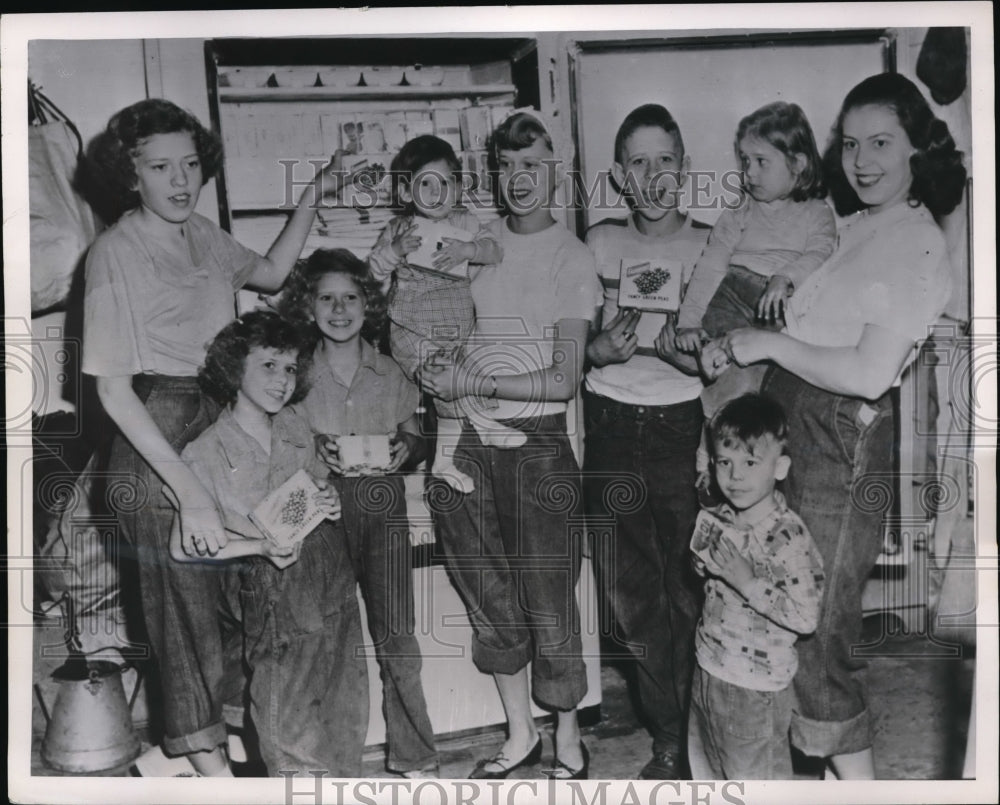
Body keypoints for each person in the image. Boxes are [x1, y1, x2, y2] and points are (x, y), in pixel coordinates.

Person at [702, 72, 966, 779]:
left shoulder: (915, 242)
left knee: (818, 637)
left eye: (882, 142)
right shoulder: (856, 226)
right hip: (797, 424)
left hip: (840, 439)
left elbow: (870, 371)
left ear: (921, 148)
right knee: (778, 626)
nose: (862, 159)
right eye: (851, 144)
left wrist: (768, 344)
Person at [81, 98, 345, 775]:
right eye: (160, 166)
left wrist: (315, 192)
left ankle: (242, 745)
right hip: (156, 434)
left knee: (251, 589)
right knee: (187, 615)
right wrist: (191, 489)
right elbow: (112, 389)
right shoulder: (114, 250)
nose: (180, 180)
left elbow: (274, 273)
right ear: (130, 175)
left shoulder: (202, 233)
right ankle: (212, 771)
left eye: (191, 163)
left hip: (216, 411)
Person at [420, 109, 602, 780]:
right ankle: (520, 732)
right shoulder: (477, 238)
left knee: (549, 595)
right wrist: (435, 364)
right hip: (465, 439)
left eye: (533, 165)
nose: (520, 179)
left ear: (555, 169)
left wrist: (474, 378)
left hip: (538, 442)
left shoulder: (571, 255)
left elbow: (563, 378)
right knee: (486, 590)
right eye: (508, 167)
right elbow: (432, 313)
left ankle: (568, 736)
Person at [170, 311, 368, 776]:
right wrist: (257, 548)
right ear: (234, 368)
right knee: (289, 727)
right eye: (268, 366)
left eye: (290, 368)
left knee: (345, 712)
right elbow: (183, 548)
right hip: (274, 589)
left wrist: (329, 499)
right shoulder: (204, 451)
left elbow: (317, 487)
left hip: (332, 578)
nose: (282, 380)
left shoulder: (295, 425)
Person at [581, 103, 711, 779]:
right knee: (630, 599)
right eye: (638, 161)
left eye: (665, 159)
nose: (653, 174)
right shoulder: (598, 244)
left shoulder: (712, 246)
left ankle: (701, 736)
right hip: (608, 430)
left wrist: (692, 359)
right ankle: (668, 739)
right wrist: (596, 351)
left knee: (691, 592)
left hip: (681, 430)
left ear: (684, 169)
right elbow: (567, 347)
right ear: (619, 176)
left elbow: (727, 361)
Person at [279, 248, 439, 778]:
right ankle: (335, 760)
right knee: (331, 635)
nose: (339, 309)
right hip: (321, 510)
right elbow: (281, 437)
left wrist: (407, 450)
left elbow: (415, 433)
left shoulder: (389, 370)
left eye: (351, 297)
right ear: (308, 306)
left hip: (382, 505)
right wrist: (313, 448)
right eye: (326, 298)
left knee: (398, 635)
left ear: (368, 304)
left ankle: (416, 757)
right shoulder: (297, 374)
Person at [675, 101, 835, 485]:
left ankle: (750, 468)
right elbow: (711, 263)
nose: (749, 173)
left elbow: (822, 252)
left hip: (779, 310)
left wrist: (786, 277)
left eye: (761, 161)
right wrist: (688, 321)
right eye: (744, 161)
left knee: (761, 392)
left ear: (797, 163)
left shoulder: (818, 213)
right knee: (732, 378)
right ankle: (710, 456)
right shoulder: (740, 212)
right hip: (733, 294)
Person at [368, 134, 522, 494]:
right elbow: (373, 273)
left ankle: (443, 461)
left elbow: (495, 252)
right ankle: (483, 424)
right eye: (427, 184)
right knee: (443, 379)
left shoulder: (465, 222)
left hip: (455, 324)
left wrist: (469, 249)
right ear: (406, 193)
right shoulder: (399, 228)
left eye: (447, 183)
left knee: (459, 380)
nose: (438, 193)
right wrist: (394, 250)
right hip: (411, 329)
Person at [687, 393, 824, 780]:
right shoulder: (722, 515)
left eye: (750, 462)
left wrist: (748, 581)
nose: (735, 476)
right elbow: (710, 579)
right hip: (708, 666)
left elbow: (805, 616)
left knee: (758, 784)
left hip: (755, 686)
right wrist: (700, 564)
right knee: (706, 774)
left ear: (779, 467)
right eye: (724, 463)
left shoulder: (788, 537)